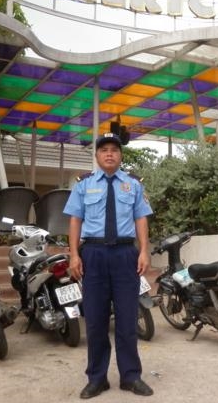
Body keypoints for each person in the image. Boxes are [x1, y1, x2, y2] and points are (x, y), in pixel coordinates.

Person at [63, 132, 154, 399]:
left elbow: (141, 219)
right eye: (104, 150)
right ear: (97, 156)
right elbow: (75, 221)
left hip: (125, 254)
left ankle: (131, 376)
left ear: (120, 155)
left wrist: (144, 251)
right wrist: (74, 255)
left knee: (127, 319)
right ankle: (97, 378)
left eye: (114, 149)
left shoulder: (133, 185)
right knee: (95, 321)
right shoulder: (83, 185)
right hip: (93, 254)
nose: (110, 154)